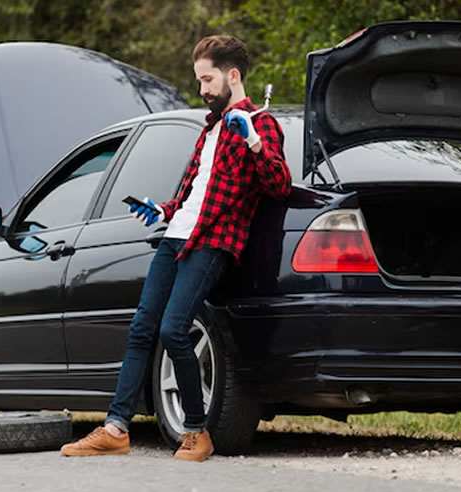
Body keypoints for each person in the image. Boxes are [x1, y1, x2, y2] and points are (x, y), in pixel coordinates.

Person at [60, 34, 291, 462]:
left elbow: (279, 185)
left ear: (232, 75)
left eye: (207, 80)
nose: (202, 89)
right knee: (141, 328)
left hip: (212, 242)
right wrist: (162, 209)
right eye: (199, 80)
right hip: (176, 235)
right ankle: (115, 429)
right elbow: (194, 192)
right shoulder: (209, 129)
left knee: (173, 330)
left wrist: (254, 142)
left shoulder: (260, 124)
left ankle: (197, 431)